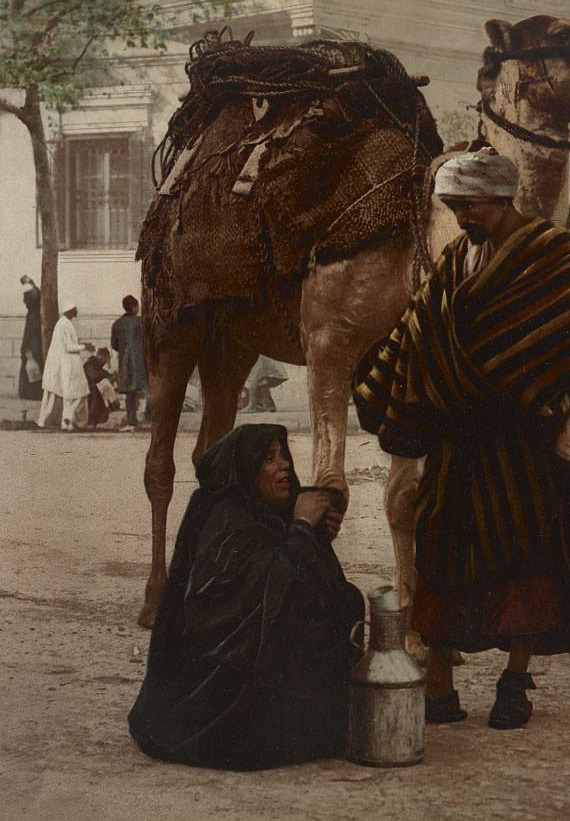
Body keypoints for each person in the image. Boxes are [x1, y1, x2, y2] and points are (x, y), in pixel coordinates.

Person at [353, 148, 570, 730]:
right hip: (459, 445)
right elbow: (417, 326)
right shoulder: (457, 257)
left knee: (526, 564)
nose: (460, 217)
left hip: (527, 444)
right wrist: (377, 379)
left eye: (469, 205)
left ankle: (515, 683)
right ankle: (439, 685)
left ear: (502, 198)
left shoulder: (556, 255)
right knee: (440, 559)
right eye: (453, 206)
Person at [128, 423, 364, 770]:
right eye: (269, 459)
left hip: (253, 664)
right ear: (245, 472)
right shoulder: (228, 524)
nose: (284, 465)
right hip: (220, 685)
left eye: (284, 455)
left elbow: (309, 585)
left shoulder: (265, 514)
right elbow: (265, 596)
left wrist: (315, 530)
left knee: (346, 599)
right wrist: (300, 528)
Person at [36, 302, 93, 431]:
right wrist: (85, 347)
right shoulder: (64, 325)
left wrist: (82, 345)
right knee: (76, 392)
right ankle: (69, 420)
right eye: (75, 309)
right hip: (67, 364)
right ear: (70, 311)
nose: (77, 311)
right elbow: (68, 347)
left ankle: (66, 421)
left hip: (66, 363)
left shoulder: (63, 324)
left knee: (69, 393)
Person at [111, 295, 150, 432]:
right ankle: (151, 419)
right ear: (134, 307)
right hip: (141, 362)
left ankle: (132, 423)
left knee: (129, 394)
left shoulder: (117, 323)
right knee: (149, 389)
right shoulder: (141, 322)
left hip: (125, 364)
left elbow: (114, 345)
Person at [18, 275, 43, 401]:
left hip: (31, 340)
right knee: (34, 364)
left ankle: (28, 392)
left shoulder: (33, 312)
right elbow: (37, 295)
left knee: (32, 366)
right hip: (33, 342)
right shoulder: (34, 312)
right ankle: (33, 393)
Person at [83, 347, 120, 428]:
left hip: (93, 388)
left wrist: (110, 376)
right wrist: (107, 376)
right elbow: (94, 375)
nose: (105, 362)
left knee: (104, 386)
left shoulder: (95, 363)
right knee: (101, 390)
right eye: (106, 359)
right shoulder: (92, 363)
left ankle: (112, 405)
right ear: (102, 357)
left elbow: (102, 373)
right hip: (90, 389)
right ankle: (92, 422)